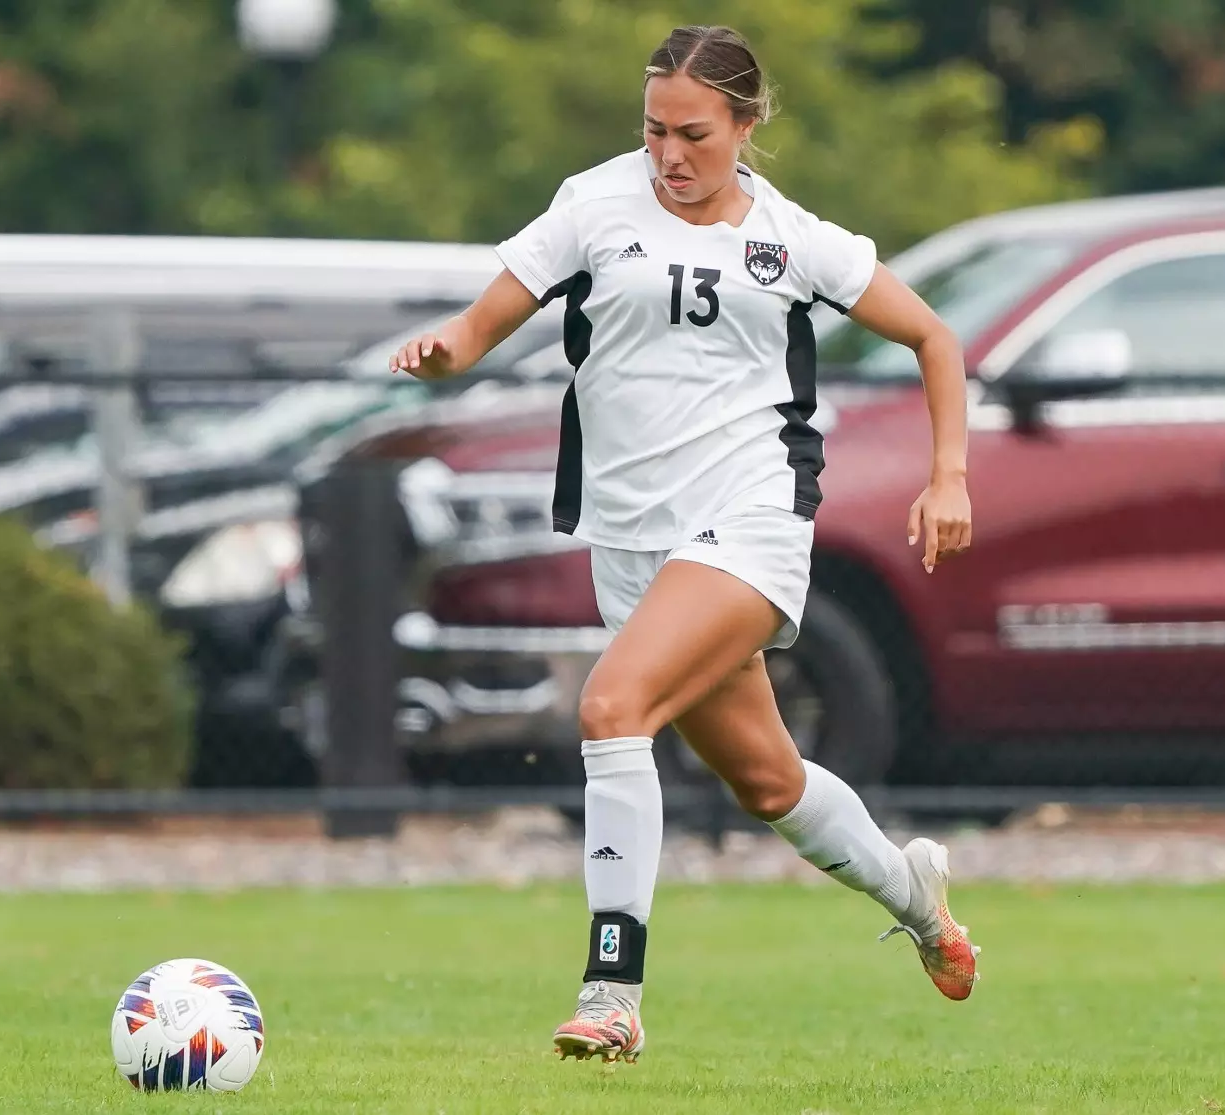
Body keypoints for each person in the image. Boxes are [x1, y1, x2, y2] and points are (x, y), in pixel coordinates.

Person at [391, 24, 979, 1065]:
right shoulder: (592, 204)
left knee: (612, 706)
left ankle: (610, 988)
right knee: (768, 782)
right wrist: (444, 352)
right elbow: (478, 327)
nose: (669, 154)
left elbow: (934, 336)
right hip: (630, 538)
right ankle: (922, 906)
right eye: (654, 130)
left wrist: (947, 476)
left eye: (694, 134)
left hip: (750, 511)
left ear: (746, 125)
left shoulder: (792, 238)